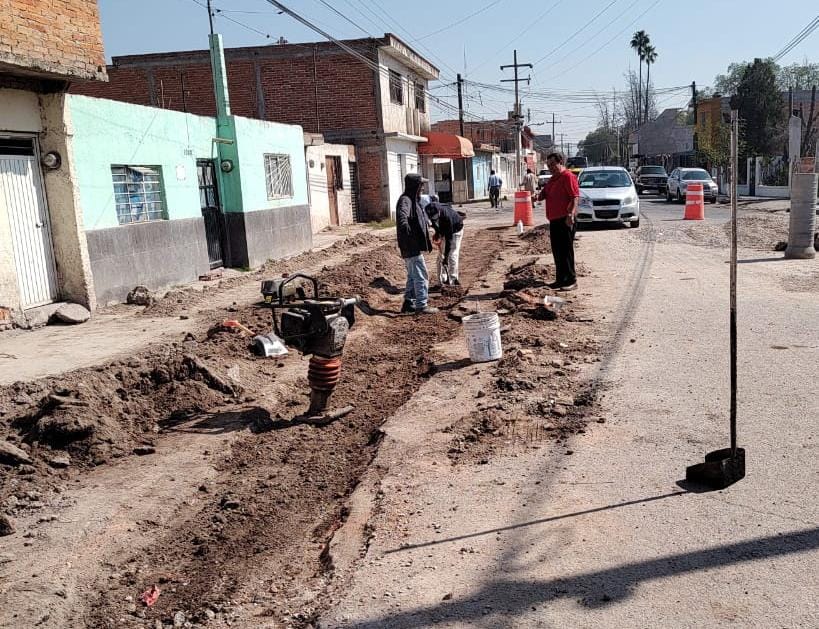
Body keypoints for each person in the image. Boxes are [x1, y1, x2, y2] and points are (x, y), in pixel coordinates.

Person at [396, 173, 438, 314]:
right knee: (421, 275)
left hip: (410, 245)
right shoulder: (406, 200)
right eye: (421, 185)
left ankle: (408, 303)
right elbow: (403, 217)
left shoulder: (412, 200)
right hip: (410, 246)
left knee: (413, 275)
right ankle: (421, 305)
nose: (422, 188)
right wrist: (409, 236)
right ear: (415, 186)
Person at [537, 152, 579, 291]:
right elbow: (545, 193)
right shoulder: (553, 179)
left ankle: (571, 280)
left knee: (566, 251)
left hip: (565, 219)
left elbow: (574, 197)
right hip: (554, 220)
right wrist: (537, 196)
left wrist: (570, 215)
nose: (551, 167)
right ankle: (560, 280)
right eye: (549, 165)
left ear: (560, 162)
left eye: (553, 164)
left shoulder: (567, 177)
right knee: (557, 251)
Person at [423, 195, 464, 287]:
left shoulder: (447, 217)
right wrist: (438, 233)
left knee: (451, 254)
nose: (434, 220)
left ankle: (453, 281)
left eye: (435, 218)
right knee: (440, 256)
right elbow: (434, 224)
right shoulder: (429, 210)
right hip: (444, 230)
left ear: (439, 213)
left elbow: (449, 240)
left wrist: (445, 257)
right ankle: (442, 280)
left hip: (455, 230)